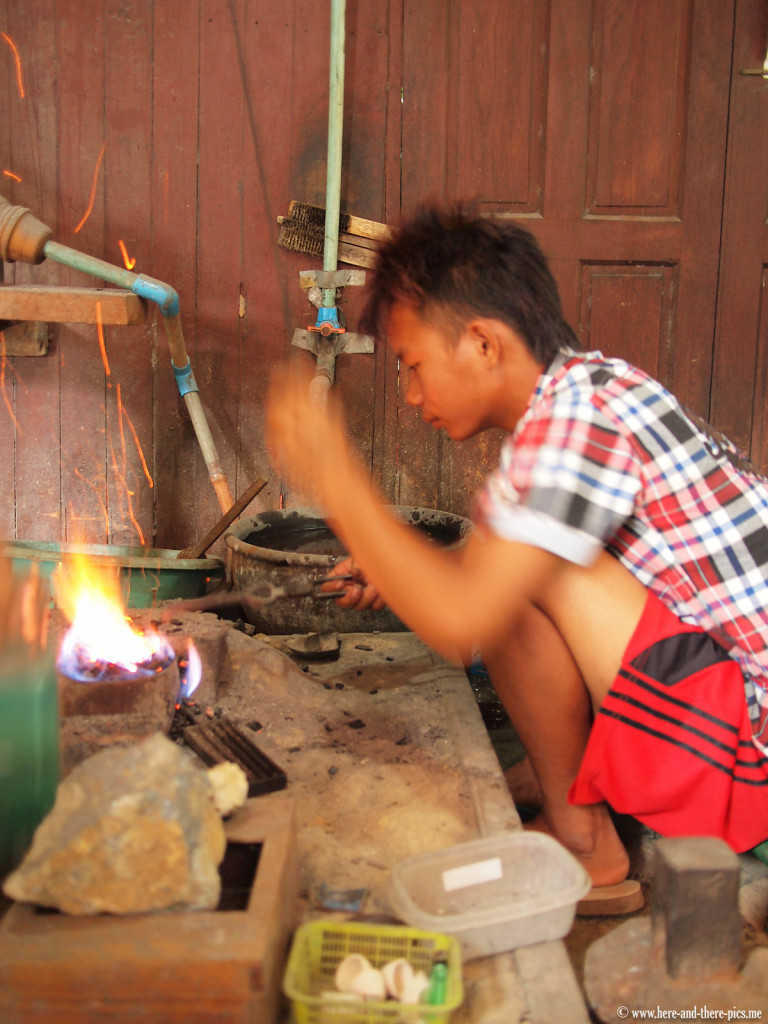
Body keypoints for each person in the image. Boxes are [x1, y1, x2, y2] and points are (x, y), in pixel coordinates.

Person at [266, 201, 768, 912]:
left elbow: (464, 620)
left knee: (517, 584)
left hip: (748, 748)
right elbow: (485, 565)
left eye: (413, 366)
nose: (410, 395)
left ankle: (585, 840)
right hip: (728, 706)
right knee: (505, 561)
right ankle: (556, 773)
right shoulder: (589, 389)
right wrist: (399, 569)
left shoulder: (574, 423)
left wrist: (338, 479)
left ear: (483, 343)